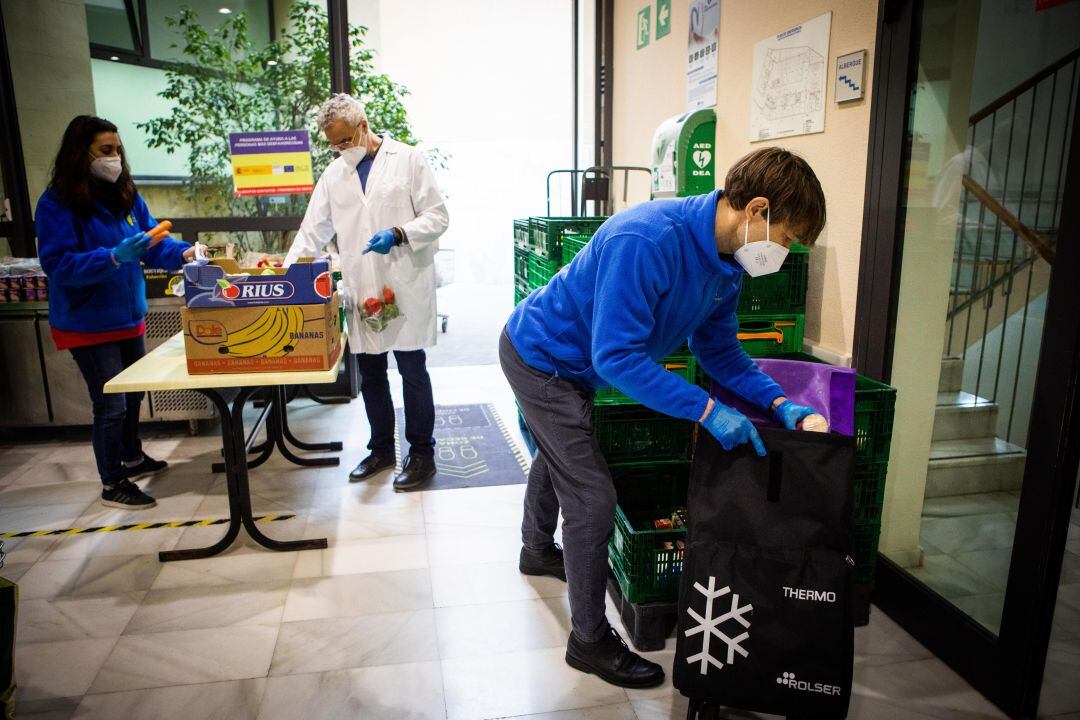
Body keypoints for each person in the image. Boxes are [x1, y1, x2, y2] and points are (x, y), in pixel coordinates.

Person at [500, 147, 828, 688]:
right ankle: (588, 641)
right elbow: (617, 357)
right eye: (787, 238)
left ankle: (536, 551)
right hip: (541, 357)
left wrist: (778, 403)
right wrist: (706, 410)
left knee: (563, 455)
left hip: (578, 366)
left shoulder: (726, 266)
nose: (785, 252)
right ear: (758, 211)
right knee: (592, 497)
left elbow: (720, 353)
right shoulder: (648, 239)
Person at [284, 94, 449, 491]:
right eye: (334, 144)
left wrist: (398, 233)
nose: (341, 149)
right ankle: (381, 450)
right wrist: (286, 278)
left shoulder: (408, 160)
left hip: (403, 283)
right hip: (364, 288)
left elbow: (438, 216)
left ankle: (422, 453)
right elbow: (313, 231)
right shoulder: (335, 174)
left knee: (412, 370)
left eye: (345, 139)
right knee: (371, 373)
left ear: (363, 125)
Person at [36, 115, 201, 510]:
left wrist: (186, 253)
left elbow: (150, 244)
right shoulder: (57, 203)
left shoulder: (126, 194)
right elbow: (58, 264)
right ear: (82, 153)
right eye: (105, 151)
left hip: (129, 315)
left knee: (131, 394)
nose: (114, 158)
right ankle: (113, 482)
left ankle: (131, 455)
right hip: (87, 321)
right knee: (109, 403)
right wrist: (110, 256)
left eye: (117, 150)